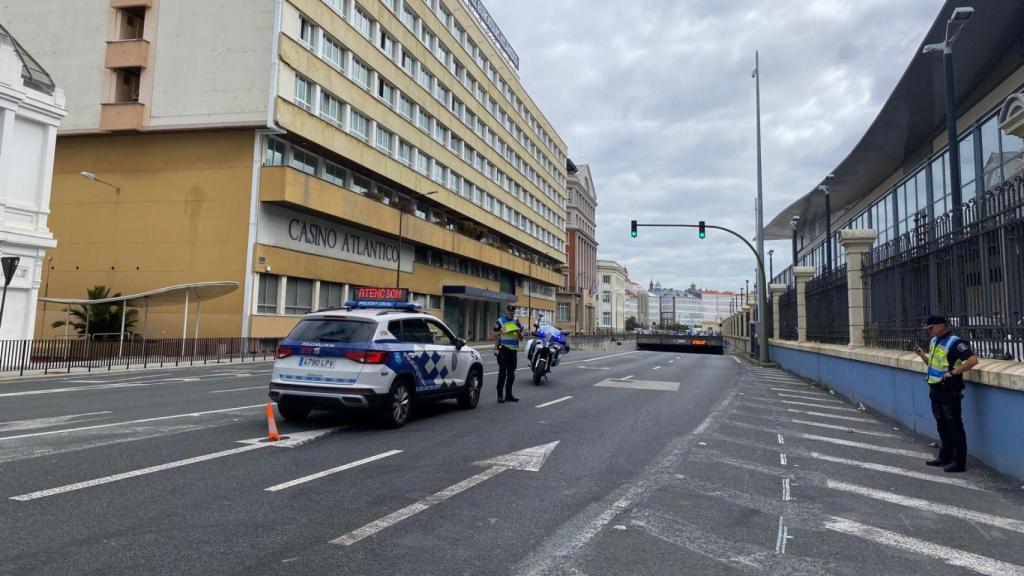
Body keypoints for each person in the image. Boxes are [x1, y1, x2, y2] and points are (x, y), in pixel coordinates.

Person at [914, 315, 979, 473]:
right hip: (935, 389)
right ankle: (945, 457)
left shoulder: (955, 342)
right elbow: (933, 365)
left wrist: (954, 373)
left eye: (931, 328)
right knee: (941, 424)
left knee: (954, 425)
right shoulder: (934, 341)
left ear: (942, 325)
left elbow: (972, 360)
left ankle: (959, 462)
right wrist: (922, 355)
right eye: (927, 329)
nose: (929, 331)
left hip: (949, 390)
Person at [492, 305, 524, 403]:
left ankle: (509, 395)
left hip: (513, 350)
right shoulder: (500, 321)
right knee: (502, 372)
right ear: (506, 312)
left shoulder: (517, 322)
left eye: (512, 313)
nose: (511, 314)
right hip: (503, 349)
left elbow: (521, 338)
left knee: (511, 373)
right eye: (509, 313)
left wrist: (518, 332)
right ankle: (500, 395)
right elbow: (493, 334)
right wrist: (500, 332)